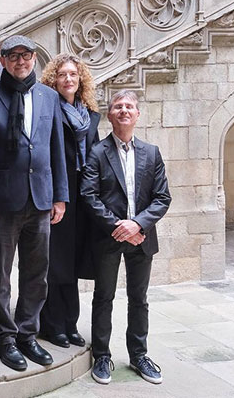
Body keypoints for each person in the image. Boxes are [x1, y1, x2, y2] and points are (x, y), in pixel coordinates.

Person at [0, 35, 68, 371]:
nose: (20, 61)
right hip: (4, 201)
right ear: (2, 61)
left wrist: (61, 196)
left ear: (34, 59)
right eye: (13, 56)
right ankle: (6, 337)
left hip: (40, 198)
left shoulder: (49, 97)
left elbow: (56, 148)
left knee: (36, 272)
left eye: (26, 55)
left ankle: (28, 333)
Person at [81, 90, 171, 386]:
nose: (124, 110)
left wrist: (137, 225)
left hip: (141, 237)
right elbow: (89, 195)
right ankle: (102, 356)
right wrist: (118, 227)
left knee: (139, 299)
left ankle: (139, 355)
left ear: (137, 114)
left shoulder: (151, 152)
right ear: (110, 115)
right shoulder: (97, 152)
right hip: (108, 237)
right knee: (103, 297)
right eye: (118, 106)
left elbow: (161, 198)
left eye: (129, 106)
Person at [37, 54, 101, 349]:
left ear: (80, 79)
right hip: (58, 191)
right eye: (62, 74)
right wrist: (54, 195)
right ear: (53, 79)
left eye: (73, 74)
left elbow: (97, 155)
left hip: (83, 193)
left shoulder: (89, 114)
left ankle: (71, 323)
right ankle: (52, 324)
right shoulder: (49, 109)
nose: (68, 79)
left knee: (74, 260)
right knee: (56, 261)